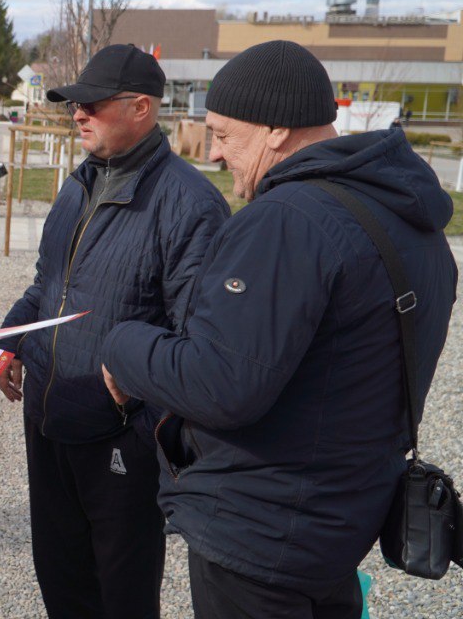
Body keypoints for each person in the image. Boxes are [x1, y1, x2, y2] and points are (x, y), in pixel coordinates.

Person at [101, 40, 457, 619]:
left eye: (222, 134)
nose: (214, 154)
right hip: (343, 521)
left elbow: (221, 383)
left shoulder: (288, 220)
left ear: (273, 130)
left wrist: (123, 345)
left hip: (263, 535)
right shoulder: (411, 218)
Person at [0, 43, 229, 619]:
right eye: (75, 104)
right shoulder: (77, 184)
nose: (78, 114)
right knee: (61, 579)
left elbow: (196, 343)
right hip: (48, 424)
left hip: (120, 444)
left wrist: (137, 424)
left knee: (120, 595)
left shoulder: (190, 205)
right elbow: (48, 287)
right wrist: (8, 341)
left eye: (92, 105)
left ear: (141, 108)